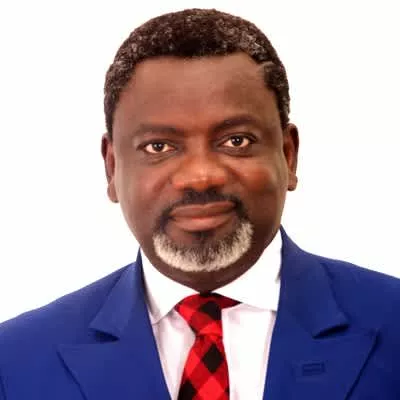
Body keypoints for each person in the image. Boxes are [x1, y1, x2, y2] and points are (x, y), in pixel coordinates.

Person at [0, 8, 399, 400]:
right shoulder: (15, 362)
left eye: (236, 141)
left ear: (288, 155)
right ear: (112, 167)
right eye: (159, 146)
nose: (200, 176)